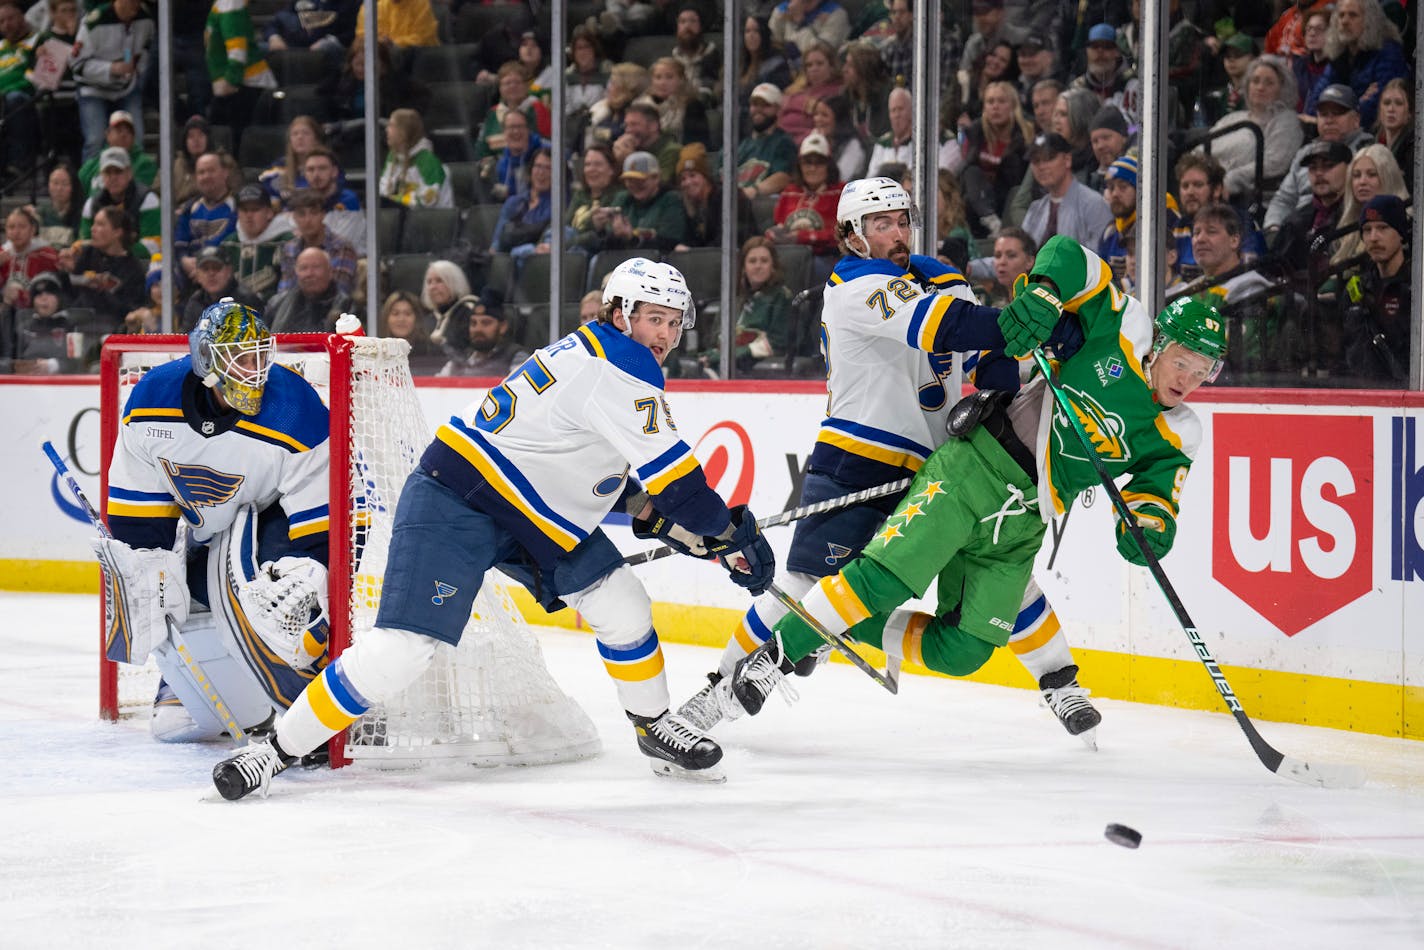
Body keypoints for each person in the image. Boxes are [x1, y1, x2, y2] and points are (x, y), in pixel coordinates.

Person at [211, 258, 777, 798]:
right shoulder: (621, 367)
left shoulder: (593, 353)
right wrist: (731, 535)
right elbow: (680, 486)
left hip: (528, 510)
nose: (665, 333)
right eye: (655, 318)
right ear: (620, 313)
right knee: (404, 649)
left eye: (675, 322)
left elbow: (586, 470)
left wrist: (685, 530)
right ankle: (275, 751)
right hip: (458, 498)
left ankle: (654, 728)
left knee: (621, 602)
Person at [714, 252, 1228, 759]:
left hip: (1026, 517)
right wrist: (1048, 291)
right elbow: (1072, 257)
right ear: (1160, 344)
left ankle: (832, 621)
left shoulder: (1181, 430)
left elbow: (1156, 496)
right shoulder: (1124, 326)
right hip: (972, 469)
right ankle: (777, 655)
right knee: (881, 579)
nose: (1188, 380)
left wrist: (1146, 528)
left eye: (1203, 372)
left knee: (963, 653)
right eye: (1182, 361)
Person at [677, 178, 1102, 748]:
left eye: (903, 221)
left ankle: (1060, 681)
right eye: (882, 224)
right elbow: (953, 327)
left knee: (1001, 570)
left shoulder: (935, 276)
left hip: (944, 464)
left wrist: (1023, 354)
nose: (898, 233)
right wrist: (1025, 319)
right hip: (860, 456)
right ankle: (719, 688)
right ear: (852, 235)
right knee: (807, 584)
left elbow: (988, 353)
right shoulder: (854, 285)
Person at [94, 300, 331, 744]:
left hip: (277, 516)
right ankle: (186, 681)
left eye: (261, 355)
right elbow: (139, 508)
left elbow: (323, 524)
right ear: (206, 359)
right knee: (175, 601)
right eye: (239, 358)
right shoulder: (152, 400)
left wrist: (309, 568)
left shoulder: (296, 408)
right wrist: (147, 564)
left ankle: (320, 697)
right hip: (209, 530)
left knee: (280, 599)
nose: (254, 369)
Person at [1264, 83, 1373, 234]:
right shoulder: (1305, 152)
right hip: (1296, 231)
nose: (1329, 120)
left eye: (1337, 113)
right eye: (1323, 114)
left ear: (1356, 120)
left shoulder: (1368, 153)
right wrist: (1273, 228)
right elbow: (1284, 199)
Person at [1303, 0, 1409, 130]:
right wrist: (1358, 102)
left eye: (1352, 15)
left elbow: (1377, 108)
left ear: (1370, 20)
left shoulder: (1388, 53)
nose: (1344, 21)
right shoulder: (1340, 55)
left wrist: (1330, 117)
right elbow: (1315, 102)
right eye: (1341, 15)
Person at [70, 0, 154, 161]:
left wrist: (136, 68)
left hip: (126, 88)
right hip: (93, 89)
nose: (135, 5)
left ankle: (139, 184)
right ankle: (92, 184)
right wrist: (111, 69)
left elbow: (145, 47)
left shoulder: (145, 19)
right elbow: (76, 64)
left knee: (136, 139)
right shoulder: (94, 22)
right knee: (95, 140)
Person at [1341, 194, 1411, 383]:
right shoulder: (1356, 289)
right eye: (1367, 229)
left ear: (1401, 233)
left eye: (1383, 228)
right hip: (1361, 396)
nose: (1373, 237)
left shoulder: (1415, 289)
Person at [704, 236, 793, 375]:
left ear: (773, 266)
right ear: (744, 267)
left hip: (753, 365)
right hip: (725, 363)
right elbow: (715, 338)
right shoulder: (733, 297)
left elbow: (777, 343)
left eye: (764, 261)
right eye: (752, 261)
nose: (758, 266)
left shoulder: (781, 296)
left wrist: (734, 355)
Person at [204, 0, 277, 152]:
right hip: (239, 86)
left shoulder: (230, 4)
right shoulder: (222, 4)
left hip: (245, 85)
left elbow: (237, 49)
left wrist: (230, 81)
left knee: (234, 147)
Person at [1020, 133, 1113, 250]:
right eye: (1036, 161)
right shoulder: (1035, 209)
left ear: (1067, 160)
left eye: (1049, 158)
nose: (1041, 167)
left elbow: (1100, 257)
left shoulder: (1094, 204)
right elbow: (1022, 255)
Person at [766, 132, 842, 257]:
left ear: (829, 165)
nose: (812, 168)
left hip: (826, 257)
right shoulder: (789, 192)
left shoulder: (841, 192)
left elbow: (840, 235)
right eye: (807, 162)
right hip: (789, 254)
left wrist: (801, 237)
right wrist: (774, 233)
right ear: (799, 166)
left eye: (819, 162)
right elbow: (779, 225)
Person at [276, 189, 357, 297]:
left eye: (314, 213)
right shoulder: (290, 248)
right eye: (301, 214)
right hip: (297, 309)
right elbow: (285, 291)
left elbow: (339, 294)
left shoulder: (342, 247)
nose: (308, 220)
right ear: (294, 217)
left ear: (323, 215)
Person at [221, 183, 294, 304]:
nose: (249, 216)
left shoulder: (286, 241)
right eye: (244, 210)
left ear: (269, 212)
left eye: (255, 209)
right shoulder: (229, 243)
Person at [605, 151, 688, 253]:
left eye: (640, 180)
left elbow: (669, 243)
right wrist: (602, 230)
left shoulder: (670, 199)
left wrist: (632, 238)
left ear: (656, 178)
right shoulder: (622, 199)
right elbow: (606, 242)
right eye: (629, 180)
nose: (634, 185)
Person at [175, 153, 238, 282]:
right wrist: (184, 259)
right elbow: (179, 242)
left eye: (211, 171)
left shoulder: (236, 207)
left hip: (222, 272)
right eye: (201, 172)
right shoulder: (189, 208)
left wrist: (203, 265)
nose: (206, 176)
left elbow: (229, 243)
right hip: (190, 274)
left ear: (225, 173)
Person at [438, 290, 528, 377]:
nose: (478, 329)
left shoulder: (515, 357)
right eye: (473, 323)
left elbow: (518, 388)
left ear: (503, 327)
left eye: (486, 323)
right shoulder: (460, 359)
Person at [266, 246, 353, 333]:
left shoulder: (346, 305)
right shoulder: (277, 304)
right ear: (296, 272)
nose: (309, 274)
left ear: (330, 271)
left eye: (316, 267)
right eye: (303, 268)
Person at [379, 108, 453, 209]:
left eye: (392, 126)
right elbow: (383, 187)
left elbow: (429, 199)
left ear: (403, 132)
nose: (387, 130)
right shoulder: (392, 156)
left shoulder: (428, 161)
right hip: (403, 216)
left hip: (433, 220)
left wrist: (399, 198)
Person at [76, 109, 157, 198]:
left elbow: (138, 195)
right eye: (119, 130)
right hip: (94, 210)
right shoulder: (91, 166)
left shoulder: (145, 164)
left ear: (134, 137)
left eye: (128, 131)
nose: (124, 135)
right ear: (108, 135)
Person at [180, 245, 262, 332]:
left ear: (229, 271)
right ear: (197, 274)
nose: (211, 274)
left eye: (216, 268)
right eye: (205, 269)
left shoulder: (247, 301)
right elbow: (186, 339)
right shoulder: (195, 302)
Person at [737, 83, 796, 201]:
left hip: (761, 206)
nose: (758, 109)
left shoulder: (783, 142)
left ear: (778, 109)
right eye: (754, 104)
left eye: (765, 105)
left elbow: (783, 178)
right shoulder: (739, 146)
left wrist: (751, 192)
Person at [0, 0, 38, 179]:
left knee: (14, 99)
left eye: (11, 19)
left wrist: (6, 91)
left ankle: (18, 163)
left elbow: (36, 78)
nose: (6, 24)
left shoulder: (38, 40)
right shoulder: (0, 47)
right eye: (1, 21)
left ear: (22, 18)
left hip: (27, 98)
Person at [777, 41, 841, 145]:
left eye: (819, 64)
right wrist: (806, 104)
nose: (814, 69)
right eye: (809, 65)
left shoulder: (837, 92)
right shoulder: (797, 90)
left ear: (832, 66)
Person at [567, 143, 626, 257]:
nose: (591, 169)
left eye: (598, 164)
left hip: (597, 253)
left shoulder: (620, 195)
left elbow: (605, 235)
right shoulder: (579, 195)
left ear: (611, 169)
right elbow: (565, 225)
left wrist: (560, 246)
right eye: (587, 164)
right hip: (568, 247)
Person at [738, 15, 792, 133]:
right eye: (747, 31)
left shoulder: (776, 64)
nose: (751, 35)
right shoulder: (739, 65)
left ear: (764, 34)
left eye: (756, 31)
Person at [259, 115, 327, 208]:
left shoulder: (328, 166)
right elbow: (266, 200)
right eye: (295, 134)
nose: (300, 137)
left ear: (316, 139)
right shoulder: (277, 169)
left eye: (306, 133)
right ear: (290, 141)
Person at [0, 205, 59, 309]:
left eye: (22, 227)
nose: (16, 232)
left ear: (32, 230)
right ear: (6, 232)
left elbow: (54, 291)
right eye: (11, 227)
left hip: (35, 311)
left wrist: (21, 295)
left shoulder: (46, 255)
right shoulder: (2, 254)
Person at [641, 56, 708, 147]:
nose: (662, 83)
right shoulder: (641, 104)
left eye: (669, 77)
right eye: (658, 77)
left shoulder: (692, 106)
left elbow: (696, 142)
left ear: (681, 80)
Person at [423, 258, 479, 365]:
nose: (432, 287)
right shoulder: (428, 319)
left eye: (439, 281)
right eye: (429, 282)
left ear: (454, 282)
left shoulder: (469, 314)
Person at [378, 290, 442, 375]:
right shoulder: (375, 352)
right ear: (386, 318)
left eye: (407, 314)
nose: (401, 319)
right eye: (395, 313)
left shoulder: (432, 353)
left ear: (417, 318)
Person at [674, 141, 720, 250]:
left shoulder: (725, 198)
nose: (688, 182)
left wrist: (694, 253)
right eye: (683, 179)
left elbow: (726, 241)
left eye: (692, 175)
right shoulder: (691, 205)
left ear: (705, 177)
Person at [1374, 77, 1413, 183]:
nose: (1391, 109)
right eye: (1386, 103)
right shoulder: (1370, 145)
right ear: (1380, 111)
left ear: (1409, 113)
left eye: (1399, 103)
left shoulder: (1414, 150)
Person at [37, 163, 82, 247]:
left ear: (73, 187)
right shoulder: (39, 213)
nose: (59, 188)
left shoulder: (81, 214)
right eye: (55, 183)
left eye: (65, 184)